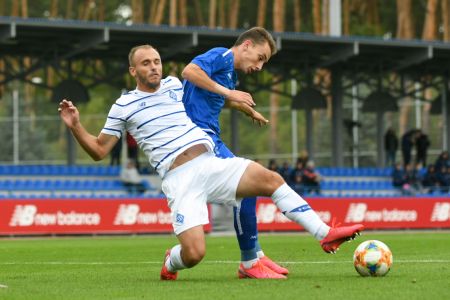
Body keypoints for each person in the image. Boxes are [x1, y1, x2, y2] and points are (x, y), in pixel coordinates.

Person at [58, 45, 364, 281]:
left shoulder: (174, 86)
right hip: (179, 179)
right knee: (194, 254)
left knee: (269, 179)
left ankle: (324, 234)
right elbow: (99, 150)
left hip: (209, 163)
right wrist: (75, 126)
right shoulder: (123, 105)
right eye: (146, 64)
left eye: (156, 61)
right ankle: (171, 260)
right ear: (133, 70)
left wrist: (244, 107)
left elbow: (210, 98)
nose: (153, 67)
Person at [182, 27, 288, 278]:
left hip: (209, 138)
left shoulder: (228, 73)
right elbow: (189, 71)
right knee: (249, 184)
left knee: (249, 188)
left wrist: (246, 109)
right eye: (260, 57)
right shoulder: (222, 55)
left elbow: (217, 98)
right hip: (198, 139)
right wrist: (230, 93)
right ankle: (250, 262)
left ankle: (256, 256)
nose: (260, 66)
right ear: (247, 45)